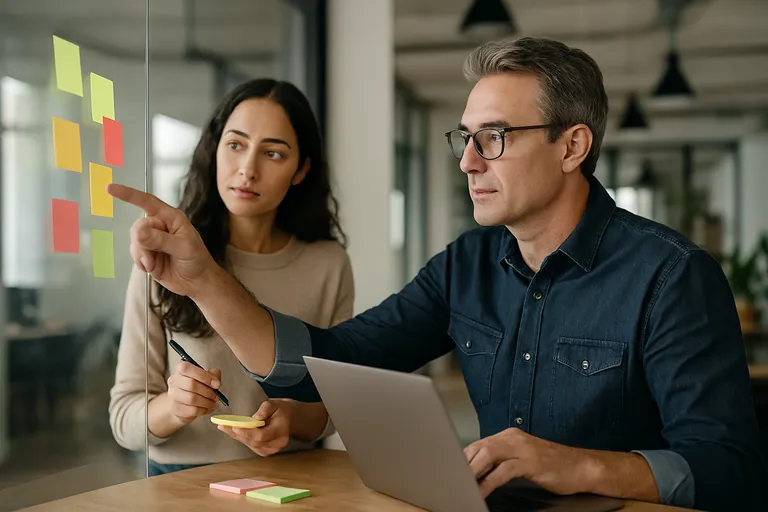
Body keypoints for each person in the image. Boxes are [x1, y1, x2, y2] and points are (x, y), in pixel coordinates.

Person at [107, 37, 763, 510]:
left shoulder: (672, 277)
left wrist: (580, 466)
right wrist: (199, 278)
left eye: (495, 137)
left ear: (572, 146)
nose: (468, 162)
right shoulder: (464, 267)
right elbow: (327, 363)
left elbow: (729, 472)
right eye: (465, 137)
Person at [108, 78, 353, 476]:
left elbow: (334, 411)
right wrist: (174, 406)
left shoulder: (328, 264)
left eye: (273, 153)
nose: (247, 170)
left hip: (292, 479)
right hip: (181, 483)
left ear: (300, 169)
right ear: (214, 150)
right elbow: (124, 421)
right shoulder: (165, 258)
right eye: (235, 145)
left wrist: (291, 418)